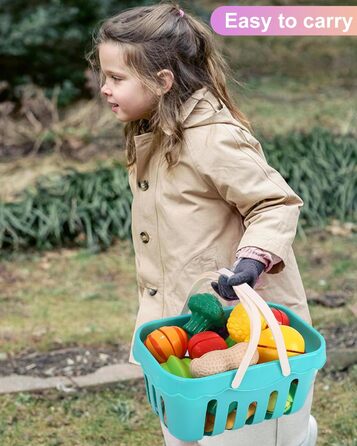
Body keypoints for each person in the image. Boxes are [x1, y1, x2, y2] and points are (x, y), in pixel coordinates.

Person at [88, 3, 317, 445]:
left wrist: (252, 260)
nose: (104, 88)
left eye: (116, 78)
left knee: (245, 432)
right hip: (191, 323)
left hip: (244, 327)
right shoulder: (154, 131)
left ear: (162, 81)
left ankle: (297, 435)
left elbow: (274, 202)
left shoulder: (212, 136)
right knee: (189, 431)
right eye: (105, 76)